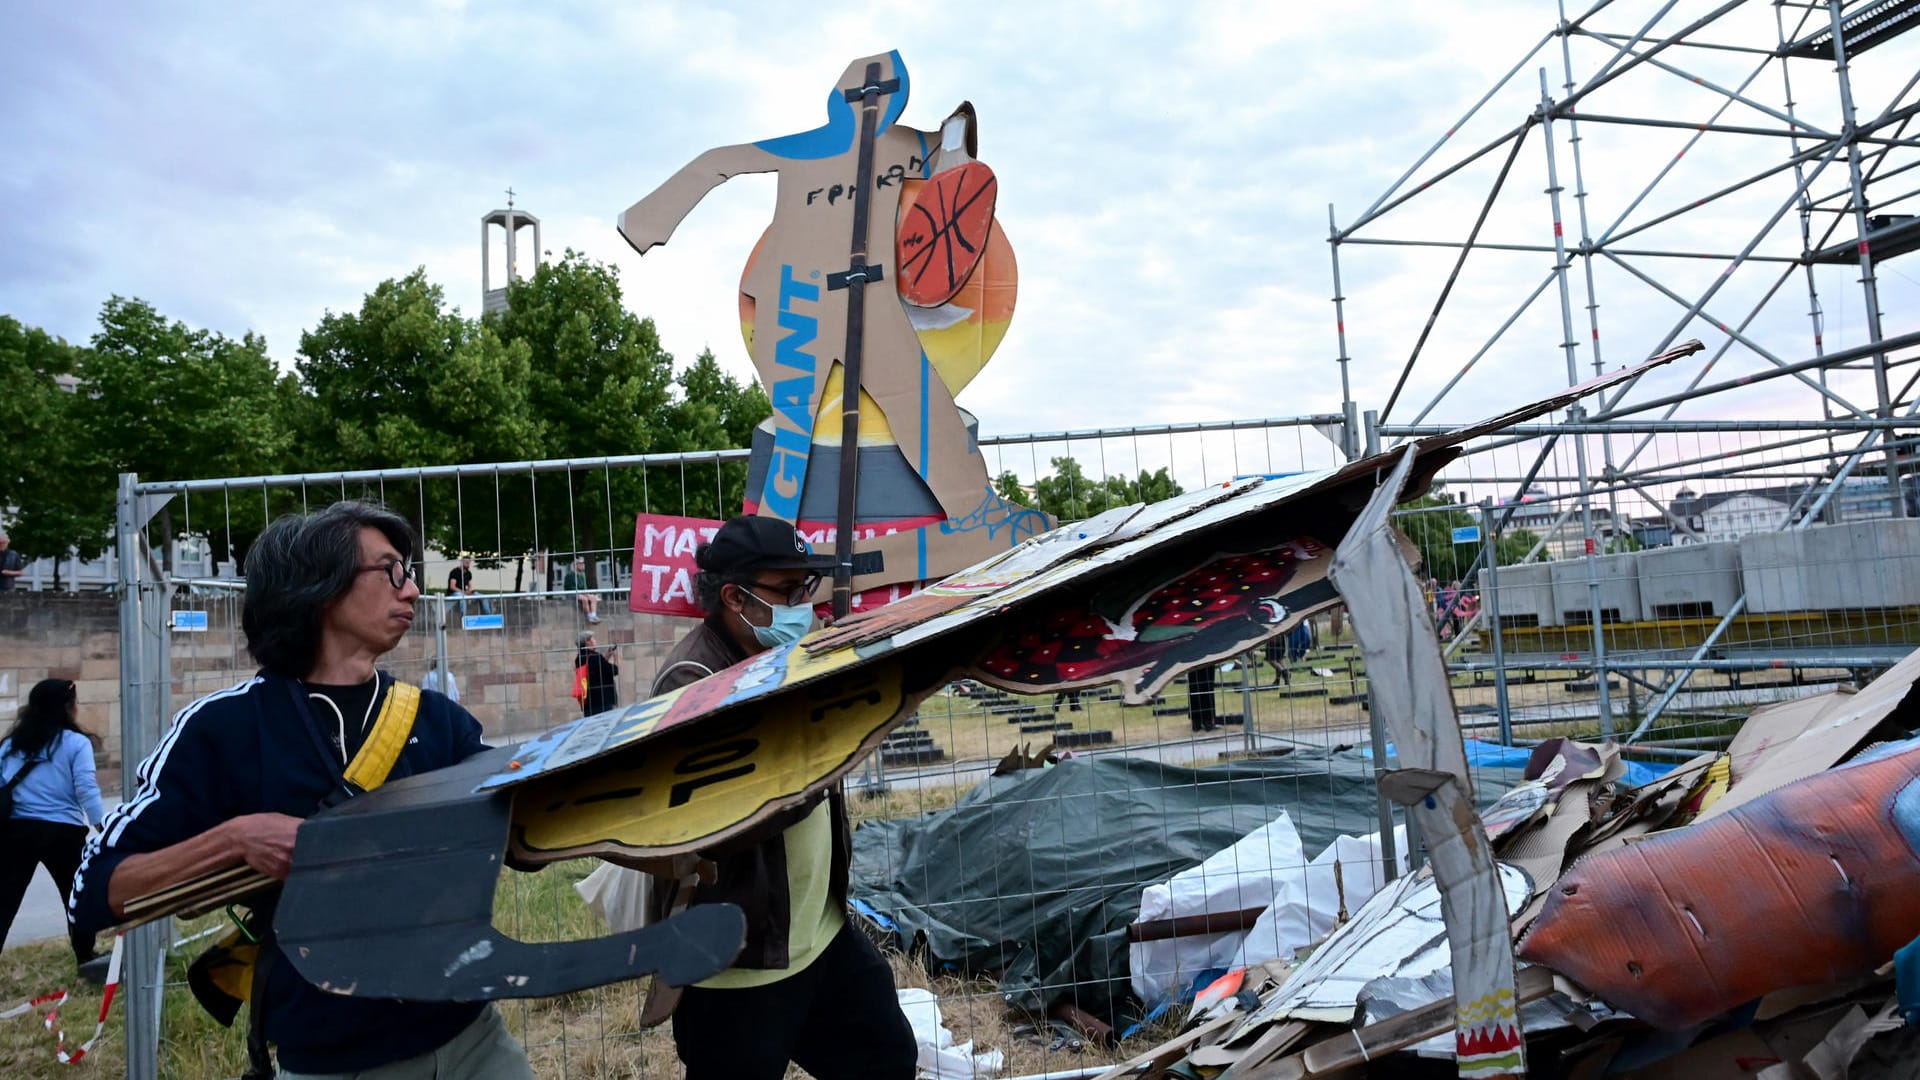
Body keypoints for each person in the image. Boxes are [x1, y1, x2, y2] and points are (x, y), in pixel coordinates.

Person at [68, 501, 533, 1079]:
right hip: (334, 1060)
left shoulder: (436, 720)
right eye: (390, 570)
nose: (412, 590)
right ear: (318, 587)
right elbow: (92, 890)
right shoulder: (224, 728)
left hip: (475, 1038)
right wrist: (237, 839)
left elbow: (523, 829)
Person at [643, 514, 916, 1079]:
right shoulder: (691, 682)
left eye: (807, 588)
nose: (804, 605)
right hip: (739, 958)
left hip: (819, 932)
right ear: (734, 598)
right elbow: (724, 820)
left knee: (886, 1057)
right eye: (787, 591)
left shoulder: (792, 656)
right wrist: (828, 751)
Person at [1, 678, 103, 964]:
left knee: (4, 901)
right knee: (76, 896)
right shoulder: (76, 743)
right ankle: (86, 957)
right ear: (68, 707)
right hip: (63, 832)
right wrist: (102, 826)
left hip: (16, 831)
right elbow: (86, 787)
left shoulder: (11, 744)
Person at [575, 631, 620, 716]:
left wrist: (606, 657)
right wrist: (616, 657)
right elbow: (614, 670)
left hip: (589, 703)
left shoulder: (579, 658)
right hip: (603, 701)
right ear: (588, 642)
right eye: (593, 638)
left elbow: (596, 671)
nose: (595, 641)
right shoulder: (595, 657)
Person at [564, 558, 599, 623]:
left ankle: (594, 615)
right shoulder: (569, 575)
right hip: (572, 594)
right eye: (580, 564)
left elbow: (584, 587)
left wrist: (588, 594)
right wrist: (583, 593)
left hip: (581, 593)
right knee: (584, 599)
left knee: (593, 598)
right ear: (576, 565)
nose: (583, 566)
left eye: (583, 564)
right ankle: (589, 616)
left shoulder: (582, 575)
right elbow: (569, 588)